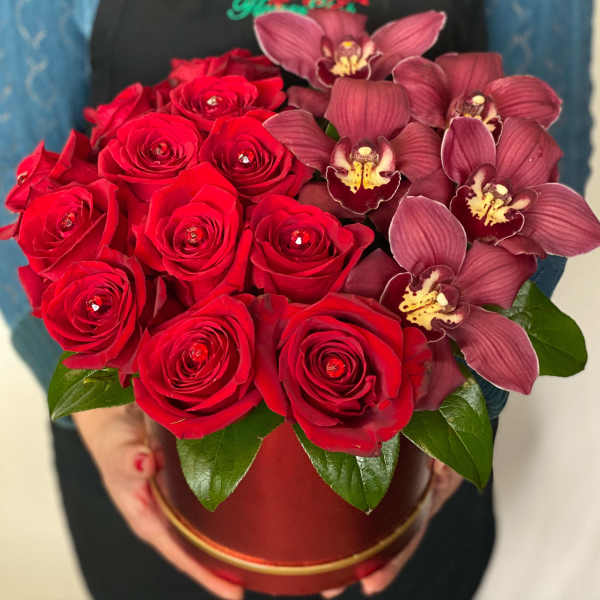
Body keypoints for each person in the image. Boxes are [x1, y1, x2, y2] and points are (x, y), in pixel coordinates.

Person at [1, 0, 593, 599]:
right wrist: (98, 415)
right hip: (153, 468)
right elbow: (10, 162)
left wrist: (474, 401)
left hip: (410, 487)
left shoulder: (400, 184)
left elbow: (545, 151)